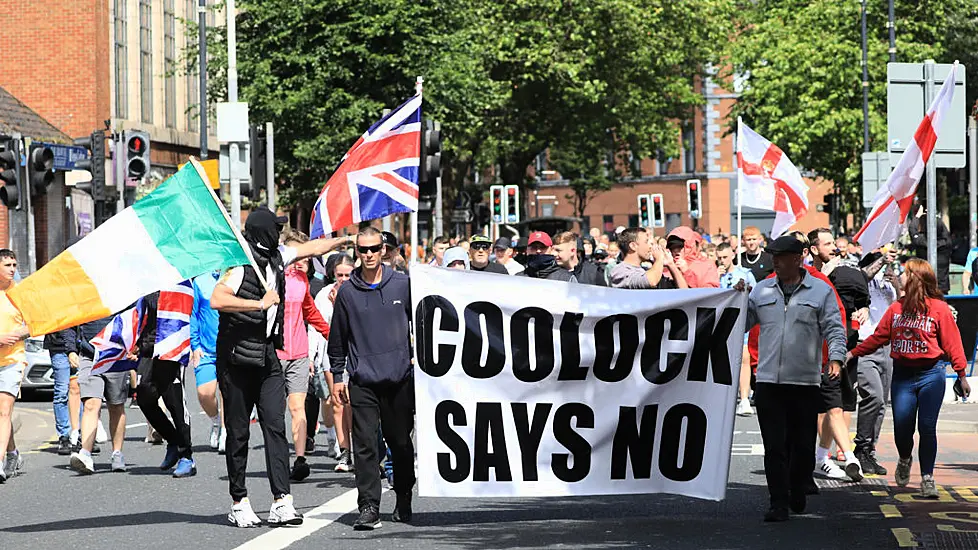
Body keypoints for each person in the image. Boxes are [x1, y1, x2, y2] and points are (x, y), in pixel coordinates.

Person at [210, 208, 349, 528]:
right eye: (275, 228)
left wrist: (349, 239)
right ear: (262, 232)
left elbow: (313, 248)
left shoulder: (277, 255)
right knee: (240, 431)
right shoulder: (238, 264)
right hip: (236, 359)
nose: (279, 233)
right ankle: (239, 500)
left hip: (269, 356)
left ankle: (281, 501)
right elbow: (218, 299)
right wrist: (258, 304)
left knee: (275, 426)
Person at [848, 258, 971, 497]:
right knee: (902, 429)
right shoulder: (896, 308)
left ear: (916, 278)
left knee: (927, 427)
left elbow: (953, 344)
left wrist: (962, 375)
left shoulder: (939, 308)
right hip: (903, 375)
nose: (900, 276)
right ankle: (905, 457)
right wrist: (853, 352)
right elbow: (878, 337)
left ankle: (927, 478)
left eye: (905, 273)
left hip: (931, 375)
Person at [746, 235, 847, 522]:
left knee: (803, 446)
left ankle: (798, 484)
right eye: (773, 256)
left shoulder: (820, 290)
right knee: (774, 446)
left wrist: (836, 358)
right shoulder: (761, 290)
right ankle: (778, 502)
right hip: (767, 382)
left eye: (780, 256)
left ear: (798, 257)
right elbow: (741, 323)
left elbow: (834, 328)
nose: (775, 262)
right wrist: (735, 301)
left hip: (804, 382)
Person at [328, 227, 415, 530]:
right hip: (362, 380)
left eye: (374, 249)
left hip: (399, 379)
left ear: (384, 251)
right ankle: (368, 506)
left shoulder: (403, 285)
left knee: (401, 443)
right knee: (364, 446)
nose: (368, 255)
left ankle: (404, 496)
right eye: (362, 250)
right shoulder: (347, 293)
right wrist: (338, 376)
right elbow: (337, 338)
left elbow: (425, 322)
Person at [807, 228, 866, 482]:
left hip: (841, 349)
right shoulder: (808, 276)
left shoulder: (847, 272)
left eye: (834, 243)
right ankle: (822, 457)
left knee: (839, 404)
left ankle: (830, 457)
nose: (834, 248)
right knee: (824, 407)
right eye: (827, 243)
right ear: (812, 249)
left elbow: (861, 298)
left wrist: (863, 308)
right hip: (812, 352)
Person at [277, 230, 331, 482]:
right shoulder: (271, 277)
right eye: (297, 255)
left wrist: (332, 334)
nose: (301, 260)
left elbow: (309, 310)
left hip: (298, 353)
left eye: (305, 256)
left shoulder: (301, 281)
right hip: (273, 355)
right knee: (274, 412)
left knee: (298, 407)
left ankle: (300, 460)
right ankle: (277, 459)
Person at [136, 290, 197, 478]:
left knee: (176, 404)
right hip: (148, 349)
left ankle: (186, 456)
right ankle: (172, 439)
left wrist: (194, 345)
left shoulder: (178, 282)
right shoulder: (144, 283)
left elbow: (189, 314)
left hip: (173, 348)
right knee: (144, 397)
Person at [852, 249, 899, 475]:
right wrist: (882, 260)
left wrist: (897, 283)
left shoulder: (887, 286)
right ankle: (860, 445)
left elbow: (902, 305)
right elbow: (865, 275)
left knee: (882, 403)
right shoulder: (862, 283)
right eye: (878, 265)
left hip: (887, 347)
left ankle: (869, 449)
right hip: (865, 345)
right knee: (873, 396)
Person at [66, 314, 128, 475]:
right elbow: (70, 319)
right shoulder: (84, 291)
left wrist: (135, 345)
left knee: (116, 406)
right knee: (91, 403)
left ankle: (117, 453)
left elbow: (135, 315)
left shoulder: (122, 291)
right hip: (89, 355)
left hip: (116, 354)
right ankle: (85, 454)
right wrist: (71, 350)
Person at [311, 256, 356, 471]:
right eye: (340, 275)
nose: (344, 279)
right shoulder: (323, 294)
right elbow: (317, 326)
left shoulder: (360, 290)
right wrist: (313, 356)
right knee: (338, 402)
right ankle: (344, 451)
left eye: (348, 275)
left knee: (353, 406)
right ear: (333, 275)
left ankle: (360, 450)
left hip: (356, 354)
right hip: (333, 353)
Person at [717, 242, 757, 417]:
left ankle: (745, 398)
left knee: (743, 358)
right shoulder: (715, 275)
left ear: (732, 255)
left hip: (740, 322)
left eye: (725, 257)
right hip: (720, 324)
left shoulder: (744, 274)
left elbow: (755, 295)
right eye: (719, 258)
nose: (722, 261)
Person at [0, 249, 28, 482]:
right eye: (7, 265)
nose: (12, 269)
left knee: (4, 410)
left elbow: (35, 323)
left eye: (14, 265)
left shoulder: (19, 293)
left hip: (13, 359)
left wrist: (19, 333)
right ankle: (12, 453)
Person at [191, 271, 224, 452]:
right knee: (205, 393)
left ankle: (226, 433)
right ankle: (216, 421)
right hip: (206, 350)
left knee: (227, 394)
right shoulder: (200, 281)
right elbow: (193, 314)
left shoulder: (233, 276)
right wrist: (195, 345)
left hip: (229, 348)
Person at [609, 227, 687, 290]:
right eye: (646, 242)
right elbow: (652, 281)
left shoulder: (647, 270)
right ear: (633, 246)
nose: (650, 246)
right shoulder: (620, 271)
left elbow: (684, 291)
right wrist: (659, 259)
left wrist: (671, 264)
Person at [45, 328, 81, 455]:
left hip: (80, 345)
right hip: (58, 346)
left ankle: (80, 434)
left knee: (78, 389)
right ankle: (64, 436)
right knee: (61, 391)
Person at [907, 204, 951, 294]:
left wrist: (918, 216)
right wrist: (934, 216)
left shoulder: (922, 242)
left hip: (925, 288)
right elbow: (943, 230)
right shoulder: (946, 243)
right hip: (942, 287)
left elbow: (912, 229)